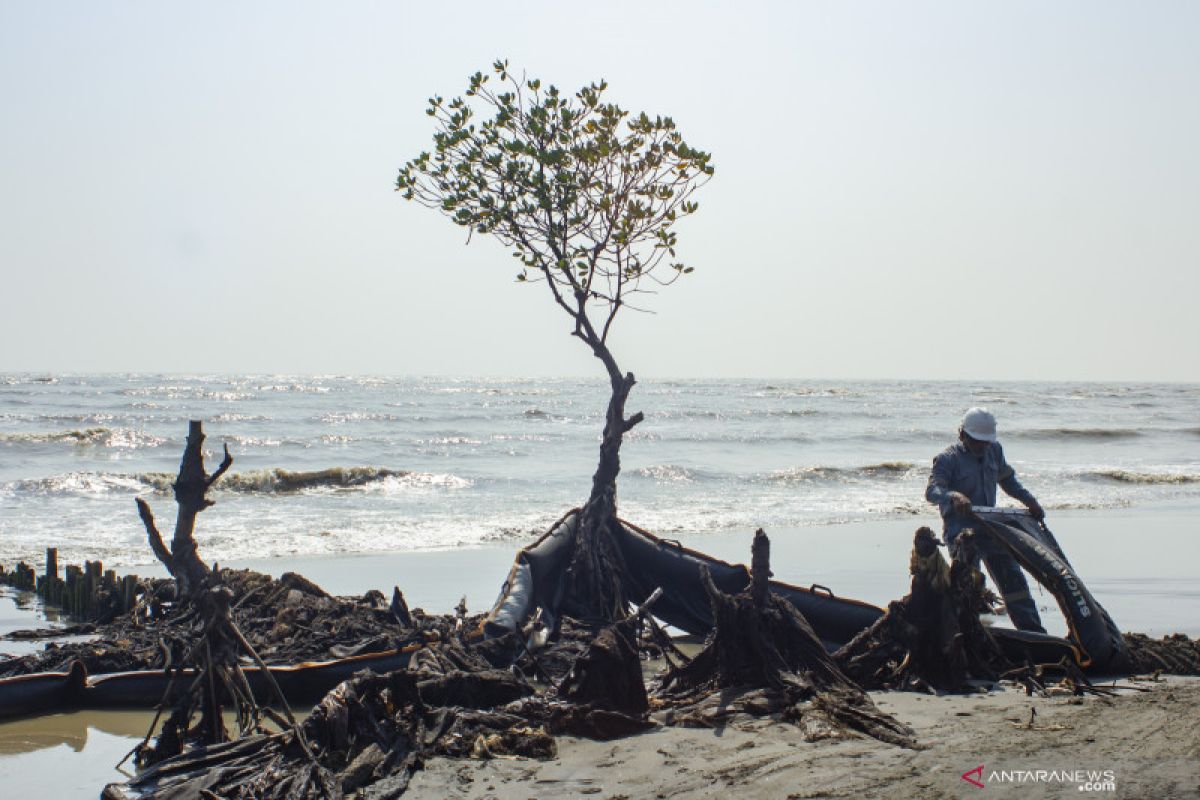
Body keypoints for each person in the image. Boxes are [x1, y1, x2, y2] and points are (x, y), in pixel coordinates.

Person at [925, 407, 1047, 632]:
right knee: (967, 586)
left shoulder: (995, 451)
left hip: (991, 528)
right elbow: (932, 492)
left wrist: (1029, 501)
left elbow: (1008, 482)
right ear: (962, 435)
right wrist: (954, 496)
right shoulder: (947, 459)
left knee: (1013, 580)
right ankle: (966, 632)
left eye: (985, 442)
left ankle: (1032, 632)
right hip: (961, 533)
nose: (982, 446)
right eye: (977, 441)